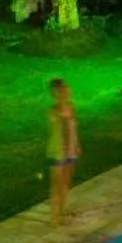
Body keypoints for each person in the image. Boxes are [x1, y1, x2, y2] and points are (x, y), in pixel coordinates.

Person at [46, 77, 80, 224]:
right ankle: (54, 216)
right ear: (56, 93)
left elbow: (74, 128)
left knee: (66, 183)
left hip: (71, 151)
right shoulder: (54, 111)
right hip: (57, 151)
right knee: (56, 184)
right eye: (63, 89)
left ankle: (62, 211)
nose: (67, 90)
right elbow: (61, 129)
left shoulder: (71, 107)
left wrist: (77, 145)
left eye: (67, 87)